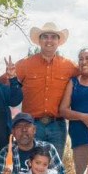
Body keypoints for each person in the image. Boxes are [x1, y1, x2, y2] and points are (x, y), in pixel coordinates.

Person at [14, 22, 79, 157]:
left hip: (57, 125)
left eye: (53, 37)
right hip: (32, 125)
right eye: (45, 36)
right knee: (30, 165)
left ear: (58, 41)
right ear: (39, 40)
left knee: (55, 167)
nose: (49, 40)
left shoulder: (69, 66)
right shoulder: (25, 64)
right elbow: (4, 80)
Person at [0, 113, 65, 174]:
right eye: (19, 127)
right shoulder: (6, 152)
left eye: (27, 125)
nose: (24, 130)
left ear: (34, 130)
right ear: (13, 132)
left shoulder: (48, 148)